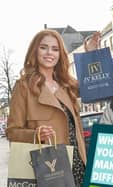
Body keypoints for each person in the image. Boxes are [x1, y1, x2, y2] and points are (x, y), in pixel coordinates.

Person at [6, 29, 86, 186]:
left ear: (60, 54)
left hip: (77, 166)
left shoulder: (67, 85)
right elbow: (12, 131)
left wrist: (90, 54)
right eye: (44, 47)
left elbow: (95, 88)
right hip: (49, 171)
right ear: (35, 51)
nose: (50, 53)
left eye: (55, 49)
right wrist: (35, 135)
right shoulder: (23, 87)